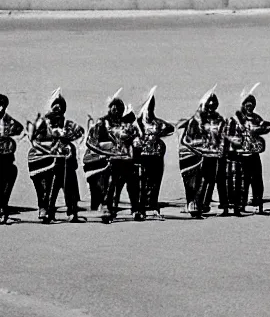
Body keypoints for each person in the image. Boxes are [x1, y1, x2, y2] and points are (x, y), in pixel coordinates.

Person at [83, 89, 141, 223]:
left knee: (133, 178)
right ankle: (106, 207)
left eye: (119, 107)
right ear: (109, 108)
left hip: (125, 158)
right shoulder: (102, 123)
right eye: (113, 107)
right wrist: (105, 152)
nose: (115, 110)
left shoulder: (126, 124)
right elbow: (91, 142)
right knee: (110, 180)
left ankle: (136, 209)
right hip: (105, 160)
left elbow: (134, 138)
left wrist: (136, 142)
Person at [27, 89, 84, 223]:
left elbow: (79, 131)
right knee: (52, 176)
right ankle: (47, 209)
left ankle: (72, 210)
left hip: (62, 158)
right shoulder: (43, 123)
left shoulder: (67, 123)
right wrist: (49, 150)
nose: (58, 108)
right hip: (43, 157)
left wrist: (66, 139)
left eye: (60, 105)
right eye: (55, 105)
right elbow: (35, 141)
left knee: (69, 176)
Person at [221, 84, 270, 216]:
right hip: (239, 155)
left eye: (251, 104)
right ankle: (241, 204)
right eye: (247, 104)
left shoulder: (256, 118)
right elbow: (226, 134)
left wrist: (261, 129)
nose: (249, 106)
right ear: (242, 105)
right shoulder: (234, 119)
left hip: (253, 153)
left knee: (257, 179)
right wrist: (236, 141)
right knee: (241, 180)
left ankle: (258, 203)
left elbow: (264, 128)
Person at [178, 86, 226, 219]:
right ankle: (195, 206)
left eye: (213, 106)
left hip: (213, 154)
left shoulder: (219, 120)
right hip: (197, 156)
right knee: (199, 180)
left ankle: (204, 204)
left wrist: (220, 148)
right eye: (208, 106)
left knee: (210, 179)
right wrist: (199, 146)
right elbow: (188, 138)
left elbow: (222, 136)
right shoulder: (196, 120)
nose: (211, 108)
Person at [136, 87, 175, 219]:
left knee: (155, 181)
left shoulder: (157, 122)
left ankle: (152, 205)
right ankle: (140, 207)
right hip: (141, 155)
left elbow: (170, 128)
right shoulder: (138, 123)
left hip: (156, 155)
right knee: (141, 181)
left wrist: (159, 135)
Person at [0, 94, 24, 224]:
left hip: (6, 156)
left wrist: (9, 138)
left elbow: (20, 129)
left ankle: (3, 209)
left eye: (2, 105)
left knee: (6, 183)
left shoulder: (9, 121)